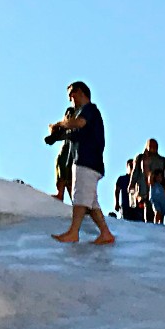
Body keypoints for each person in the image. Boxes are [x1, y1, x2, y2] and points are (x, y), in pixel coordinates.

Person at [50, 81, 115, 245]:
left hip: (87, 161)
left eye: (71, 94)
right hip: (90, 162)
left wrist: (59, 124)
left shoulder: (89, 110)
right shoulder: (88, 114)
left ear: (79, 92)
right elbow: (75, 133)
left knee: (80, 197)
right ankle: (105, 233)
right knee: (91, 202)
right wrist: (58, 135)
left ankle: (73, 232)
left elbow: (79, 123)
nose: (70, 99)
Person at [135, 138, 165, 223]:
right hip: (145, 190)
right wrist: (132, 186)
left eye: (155, 146)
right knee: (148, 211)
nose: (153, 148)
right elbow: (135, 173)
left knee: (159, 210)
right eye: (151, 146)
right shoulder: (141, 158)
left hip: (158, 191)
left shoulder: (162, 160)